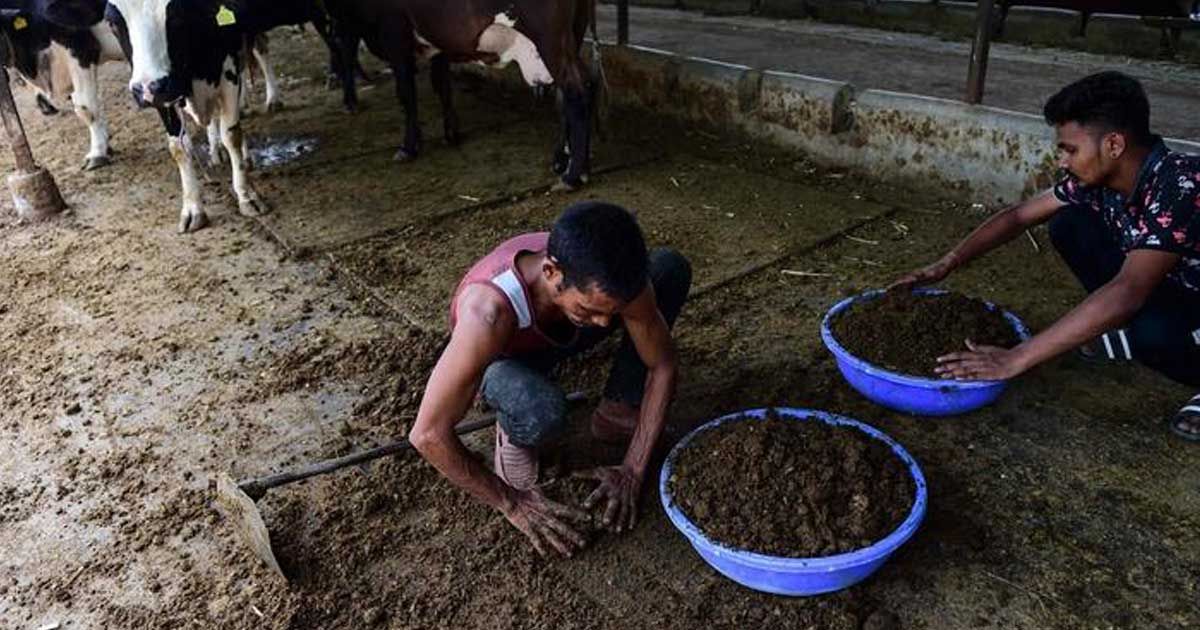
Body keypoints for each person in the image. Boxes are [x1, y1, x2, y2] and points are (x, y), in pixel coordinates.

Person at [894, 71, 1200, 441]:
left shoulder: (1181, 186)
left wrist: (1016, 358)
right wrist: (946, 263)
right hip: (1171, 284)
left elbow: (1128, 291)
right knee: (1069, 223)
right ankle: (1130, 332)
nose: (1062, 161)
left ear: (1114, 144)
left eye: (1070, 149)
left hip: (1185, 296)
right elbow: (1019, 216)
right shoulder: (1102, 178)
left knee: (1153, 333)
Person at [408, 201, 692, 556]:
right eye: (591, 309)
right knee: (541, 412)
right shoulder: (488, 313)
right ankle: (514, 427)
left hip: (561, 329)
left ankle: (618, 408)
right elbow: (428, 434)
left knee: (668, 268)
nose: (606, 324)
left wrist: (633, 469)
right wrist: (512, 504)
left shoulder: (612, 285)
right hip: (504, 355)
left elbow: (662, 365)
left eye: (613, 313)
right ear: (551, 271)